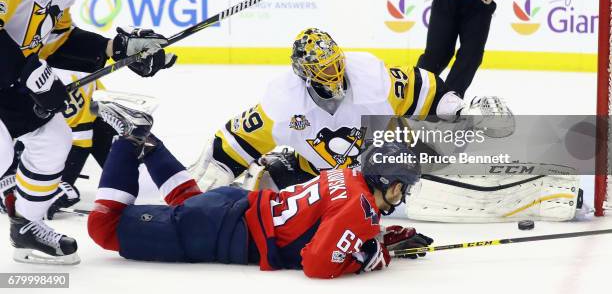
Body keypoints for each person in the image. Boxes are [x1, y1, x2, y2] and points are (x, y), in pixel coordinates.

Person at [0, 0, 177, 265]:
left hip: (6, 79)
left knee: (52, 140)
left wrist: (119, 49)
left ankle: (26, 226)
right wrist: (30, 71)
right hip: (7, 75)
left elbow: (58, 40)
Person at [87, 98, 432, 277]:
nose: (402, 194)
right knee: (104, 228)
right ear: (388, 182)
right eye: (402, 186)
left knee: (189, 204)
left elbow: (331, 222)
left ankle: (149, 142)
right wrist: (370, 260)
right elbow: (317, 264)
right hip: (225, 230)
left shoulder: (349, 178)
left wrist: (379, 238)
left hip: (234, 205)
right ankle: (131, 138)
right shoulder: (359, 209)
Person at [190, 27, 477, 191]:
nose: (335, 73)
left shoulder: (372, 80)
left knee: (419, 175)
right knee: (264, 189)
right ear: (304, 73)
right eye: (324, 69)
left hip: (384, 165)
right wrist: (220, 165)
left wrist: (454, 107)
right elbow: (239, 138)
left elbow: (421, 87)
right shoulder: (284, 102)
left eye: (335, 63)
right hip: (321, 175)